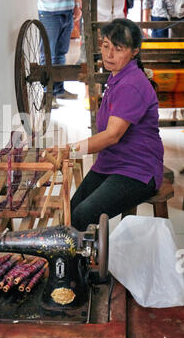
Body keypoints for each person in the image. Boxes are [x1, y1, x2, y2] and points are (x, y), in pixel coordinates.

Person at [69, 18, 164, 230]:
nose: (109, 55)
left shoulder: (131, 84)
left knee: (83, 215)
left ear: (134, 51)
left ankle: (85, 261)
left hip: (137, 170)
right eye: (105, 46)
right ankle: (79, 261)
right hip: (112, 162)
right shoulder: (117, 78)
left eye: (118, 49)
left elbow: (112, 135)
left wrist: (70, 150)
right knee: (71, 210)